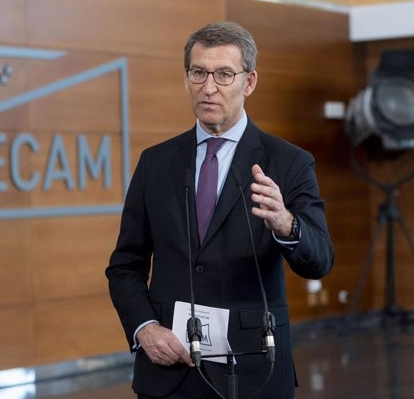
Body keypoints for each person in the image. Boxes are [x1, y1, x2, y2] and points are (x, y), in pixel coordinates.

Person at [106, 21, 334, 399]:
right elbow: (124, 265)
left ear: (249, 82)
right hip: (169, 370)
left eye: (224, 74)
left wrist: (285, 223)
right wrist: (144, 327)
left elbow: (320, 260)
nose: (208, 87)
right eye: (198, 72)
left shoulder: (289, 162)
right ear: (186, 78)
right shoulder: (155, 163)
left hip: (255, 366)